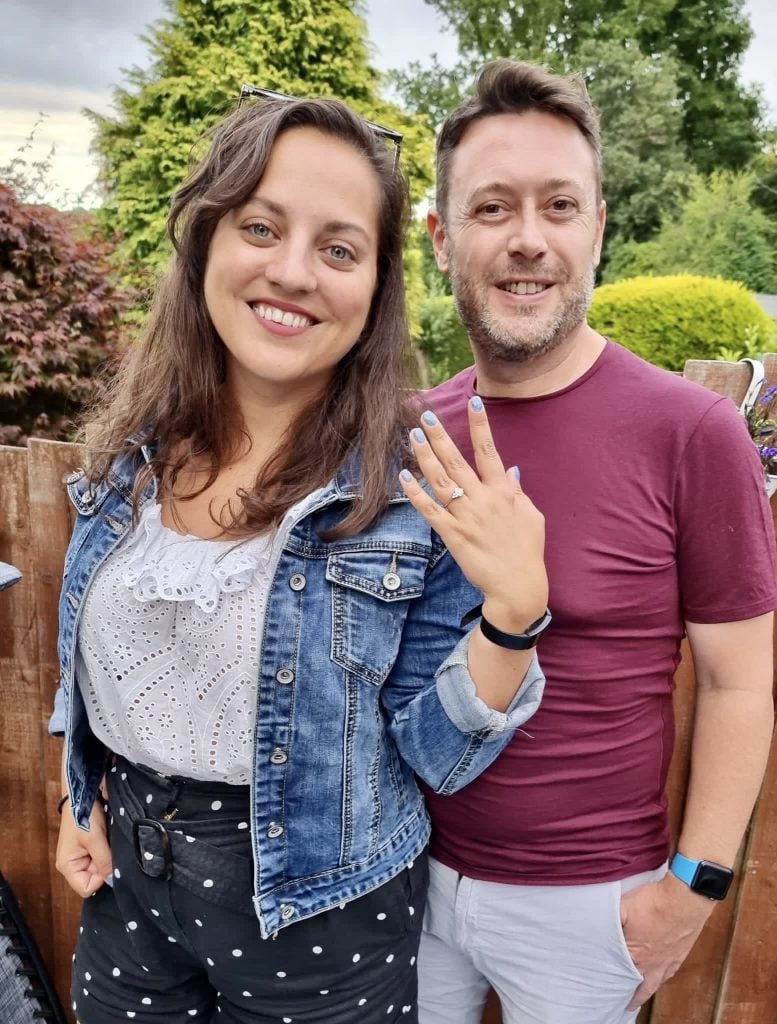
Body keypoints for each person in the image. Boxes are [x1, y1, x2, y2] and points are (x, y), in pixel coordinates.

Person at [48, 89, 550, 1024]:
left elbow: (432, 759)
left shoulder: (410, 488)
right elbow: (98, 661)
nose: (292, 271)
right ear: (205, 243)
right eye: (260, 226)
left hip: (321, 906)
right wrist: (80, 791)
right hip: (126, 881)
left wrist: (512, 614)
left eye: (338, 248)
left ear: (373, 287)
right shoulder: (131, 456)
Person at [417, 59, 777, 1024]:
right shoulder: (410, 432)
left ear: (598, 229)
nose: (527, 239)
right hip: (401, 881)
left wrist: (688, 894)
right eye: (491, 209)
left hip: (588, 909)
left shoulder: (689, 434)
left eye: (558, 206)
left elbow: (742, 682)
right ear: (441, 239)